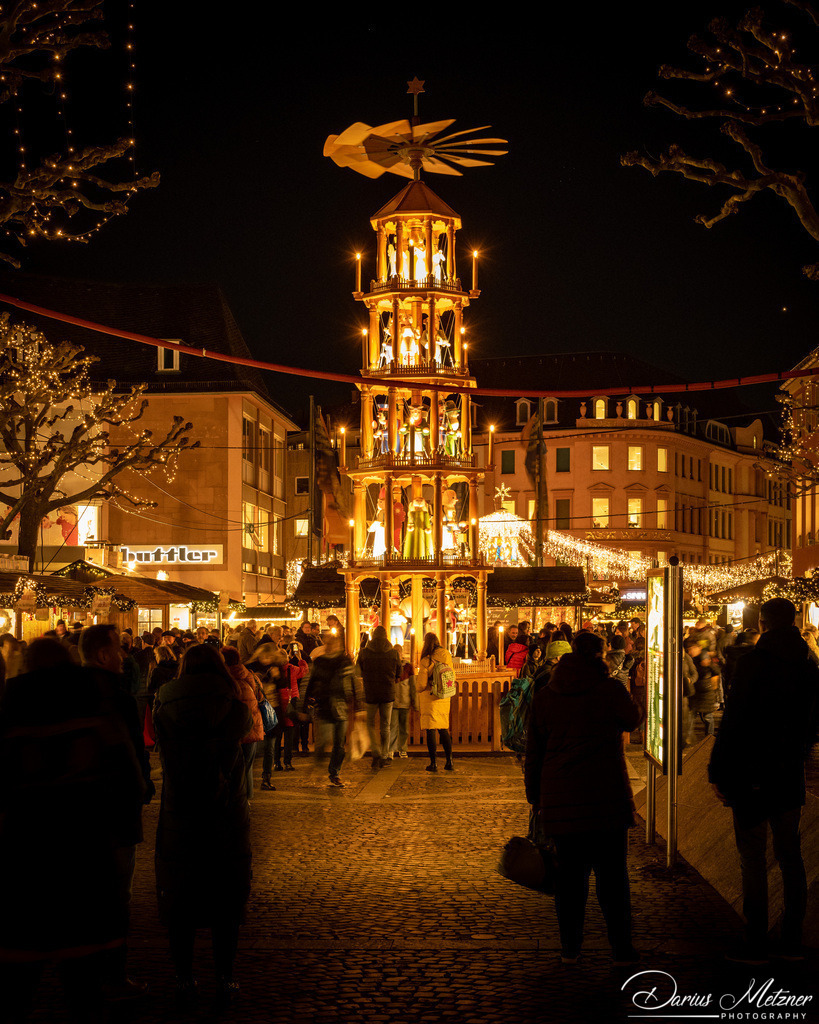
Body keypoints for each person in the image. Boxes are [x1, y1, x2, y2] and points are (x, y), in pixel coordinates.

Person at [0, 632, 147, 1021]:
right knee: (83, 975)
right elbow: (126, 766)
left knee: (19, 973)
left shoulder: (10, 703)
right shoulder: (94, 698)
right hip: (85, 842)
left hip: (25, 846)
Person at [524, 630, 644, 966]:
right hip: (606, 798)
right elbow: (633, 719)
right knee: (613, 880)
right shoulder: (609, 689)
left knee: (570, 881)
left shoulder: (547, 695)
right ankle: (621, 948)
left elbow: (535, 751)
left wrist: (535, 795)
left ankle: (570, 949)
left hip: (562, 801)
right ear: (601, 655)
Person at [708, 598, 819, 964]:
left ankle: (755, 940)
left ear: (765, 624)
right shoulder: (808, 663)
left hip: (752, 773)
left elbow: (735, 719)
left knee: (752, 858)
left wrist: (717, 770)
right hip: (788, 772)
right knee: (791, 856)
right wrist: (801, 748)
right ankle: (792, 939)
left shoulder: (754, 662)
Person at [153, 643, 252, 1006]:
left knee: (180, 894)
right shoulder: (235, 707)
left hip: (180, 811)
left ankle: (184, 977)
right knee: (226, 895)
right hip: (227, 812)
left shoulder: (163, 707)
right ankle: (225, 977)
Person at [79, 624, 152, 1000]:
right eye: (118, 650)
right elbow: (132, 755)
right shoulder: (119, 698)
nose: (124, 656)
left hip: (78, 811)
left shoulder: (67, 693)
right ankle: (113, 972)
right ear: (104, 655)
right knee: (116, 895)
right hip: (115, 811)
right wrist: (143, 787)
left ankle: (83, 973)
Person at [304, 631, 364, 787]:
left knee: (339, 744)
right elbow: (311, 683)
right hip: (324, 706)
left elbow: (353, 683)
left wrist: (359, 706)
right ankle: (318, 765)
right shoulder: (320, 662)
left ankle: (335, 772)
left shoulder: (345, 661)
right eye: (329, 643)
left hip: (341, 706)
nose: (332, 646)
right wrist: (306, 705)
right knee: (323, 742)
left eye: (334, 643)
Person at [221, 647, 264, 800]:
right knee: (247, 767)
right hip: (252, 726)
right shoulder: (249, 675)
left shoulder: (224, 680)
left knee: (231, 768)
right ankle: (247, 799)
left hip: (232, 730)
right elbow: (260, 697)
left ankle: (236, 800)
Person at [357, 625, 400, 769]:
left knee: (369, 724)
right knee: (385, 726)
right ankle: (384, 755)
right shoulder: (393, 653)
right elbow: (398, 673)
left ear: (373, 636)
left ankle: (375, 751)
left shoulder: (364, 653)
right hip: (388, 693)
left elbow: (359, 671)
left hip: (370, 692)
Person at [416, 632, 455, 772]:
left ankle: (433, 763)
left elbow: (421, 684)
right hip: (444, 696)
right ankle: (449, 761)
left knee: (431, 730)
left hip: (430, 696)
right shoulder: (446, 656)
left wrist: (417, 688)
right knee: (444, 729)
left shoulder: (426, 661)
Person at [389, 642, 417, 758]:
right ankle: (391, 749)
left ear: (401, 653)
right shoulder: (389, 666)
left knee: (404, 727)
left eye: (398, 652)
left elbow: (413, 686)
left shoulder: (408, 667)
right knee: (393, 727)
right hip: (393, 701)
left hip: (404, 701)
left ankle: (402, 748)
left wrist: (414, 701)